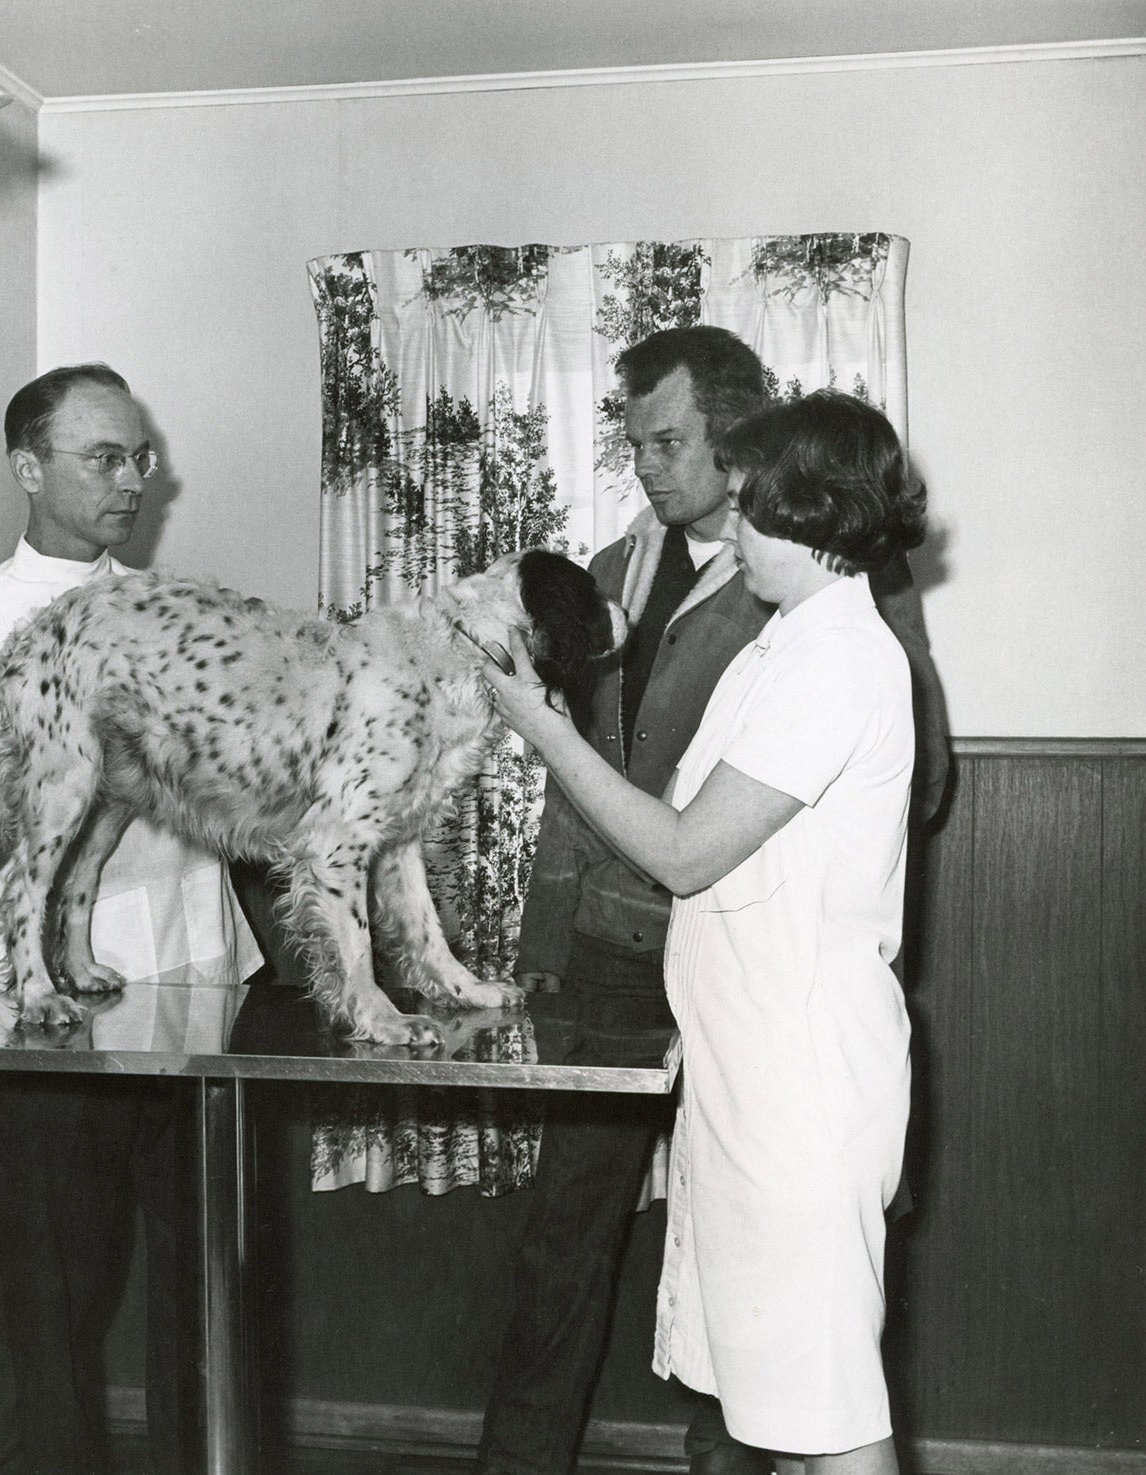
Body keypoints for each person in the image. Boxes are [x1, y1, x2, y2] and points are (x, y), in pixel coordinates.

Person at [475, 327, 947, 1475]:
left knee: (824, 1406)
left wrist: (533, 720)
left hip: (792, 1062)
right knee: (759, 1378)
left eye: (751, 508)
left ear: (809, 514)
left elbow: (685, 848)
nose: (724, 527)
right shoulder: (769, 640)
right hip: (730, 1047)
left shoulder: (839, 650)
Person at [0, 363, 262, 1475]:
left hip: (202, 995)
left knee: (212, 1298)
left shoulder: (176, 611)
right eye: (106, 455)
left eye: (140, 455)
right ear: (27, 467)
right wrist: (58, 767)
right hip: (50, 1016)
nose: (133, 479)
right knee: (55, 1300)